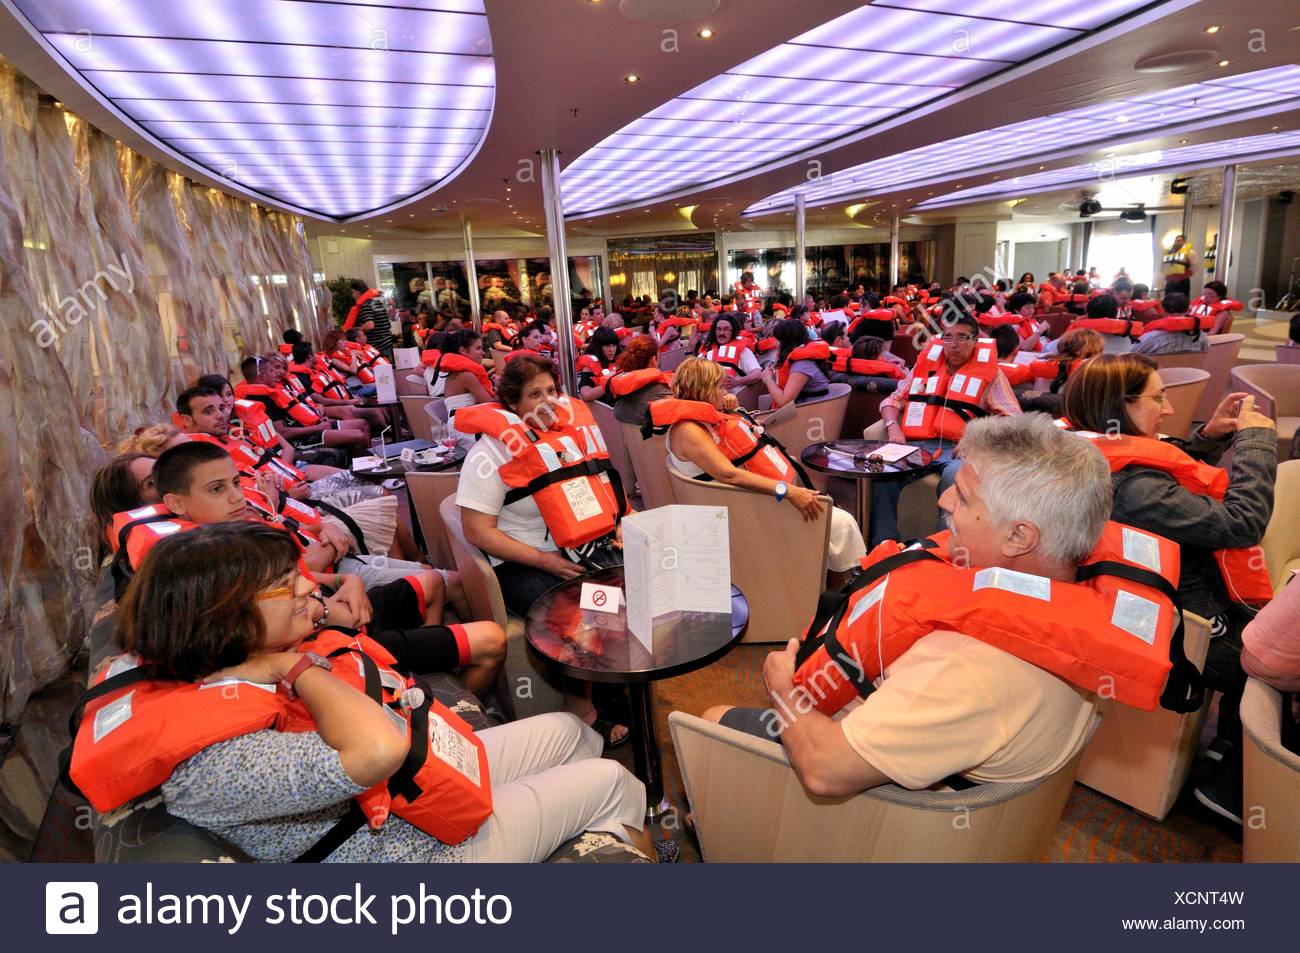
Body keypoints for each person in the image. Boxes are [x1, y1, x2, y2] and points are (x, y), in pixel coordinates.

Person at [71, 521, 658, 863]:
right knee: (611, 780)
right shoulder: (217, 761)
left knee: (566, 730)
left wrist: (283, 654)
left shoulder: (224, 667)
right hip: (416, 857)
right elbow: (378, 752)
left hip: (414, 797)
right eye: (286, 585)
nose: (308, 585)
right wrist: (297, 665)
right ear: (230, 620)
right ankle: (634, 851)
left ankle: (593, 829)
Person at [700, 414, 1136, 795]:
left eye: (964, 497)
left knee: (709, 720)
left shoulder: (967, 668)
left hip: (887, 809)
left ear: (1019, 537)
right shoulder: (1071, 588)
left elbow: (824, 772)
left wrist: (783, 689)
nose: (943, 499)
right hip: (927, 741)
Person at [1059, 353, 1277, 823]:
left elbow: (1164, 474)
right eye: (1159, 398)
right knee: (1277, 660)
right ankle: (1233, 788)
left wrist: (1208, 438)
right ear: (1120, 407)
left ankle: (1232, 741)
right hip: (1176, 614)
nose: (1171, 409)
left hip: (1166, 589)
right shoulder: (1129, 485)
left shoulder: (1087, 450)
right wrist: (1257, 443)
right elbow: (1242, 524)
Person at [455, 355, 630, 745]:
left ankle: (613, 687)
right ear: (513, 404)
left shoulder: (568, 439)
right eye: (535, 394)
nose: (548, 401)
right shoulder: (490, 455)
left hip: (581, 552)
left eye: (552, 390)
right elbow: (476, 530)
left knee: (646, 584)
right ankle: (581, 706)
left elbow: (600, 489)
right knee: (592, 608)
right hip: (524, 563)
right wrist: (541, 560)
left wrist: (615, 525)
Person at [653, 358, 866, 585]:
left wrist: (731, 411)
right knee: (841, 522)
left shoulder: (698, 419)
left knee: (817, 496)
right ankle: (840, 589)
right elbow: (729, 474)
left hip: (734, 499)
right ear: (703, 390)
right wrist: (789, 491)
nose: (725, 391)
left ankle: (829, 579)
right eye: (720, 387)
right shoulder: (688, 430)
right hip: (740, 509)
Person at [872, 314, 1021, 545]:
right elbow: (892, 401)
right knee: (882, 473)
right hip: (916, 445)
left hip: (960, 450)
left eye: (962, 337)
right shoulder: (924, 367)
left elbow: (1012, 418)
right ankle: (885, 545)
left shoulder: (992, 374)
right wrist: (893, 428)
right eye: (948, 337)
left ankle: (940, 548)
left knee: (956, 477)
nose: (953, 344)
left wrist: (976, 440)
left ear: (975, 340)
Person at [90, 452, 158, 560]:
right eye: (151, 482)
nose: (170, 479)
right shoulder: (162, 561)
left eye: (166, 469)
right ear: (135, 509)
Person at [423, 327, 494, 431]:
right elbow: (489, 403)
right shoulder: (466, 375)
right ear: (463, 350)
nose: (483, 353)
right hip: (465, 429)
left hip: (461, 424)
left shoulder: (455, 373)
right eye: (478, 348)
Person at [761, 318, 832, 407]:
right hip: (804, 409)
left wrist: (768, 379)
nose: (776, 344)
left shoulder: (802, 364)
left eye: (778, 340)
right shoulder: (800, 357)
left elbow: (784, 402)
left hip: (812, 414)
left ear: (787, 341)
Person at [607, 337, 673, 426]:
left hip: (629, 439)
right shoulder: (665, 394)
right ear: (654, 360)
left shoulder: (619, 404)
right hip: (662, 439)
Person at [1134, 292, 1211, 355]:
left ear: (1163, 310)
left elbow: (1131, 354)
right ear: (1188, 310)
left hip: (1161, 373)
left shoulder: (1152, 337)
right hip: (1191, 372)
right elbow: (1205, 352)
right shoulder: (1201, 335)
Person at [699, 312, 763, 388]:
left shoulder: (743, 351)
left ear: (733, 332)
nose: (721, 333)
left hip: (733, 397)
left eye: (726, 329)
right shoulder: (706, 351)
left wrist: (739, 381)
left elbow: (758, 374)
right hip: (708, 396)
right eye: (718, 329)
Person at [343, 280, 394, 360]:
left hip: (378, 345)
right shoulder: (377, 302)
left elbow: (370, 325)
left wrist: (355, 331)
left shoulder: (366, 305)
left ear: (358, 292)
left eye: (353, 292)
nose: (352, 295)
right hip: (387, 342)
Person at [576, 326, 621, 402]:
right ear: (598, 347)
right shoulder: (589, 365)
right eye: (607, 346)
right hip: (606, 410)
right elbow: (586, 395)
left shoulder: (622, 360)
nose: (612, 350)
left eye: (614, 345)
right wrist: (611, 383)